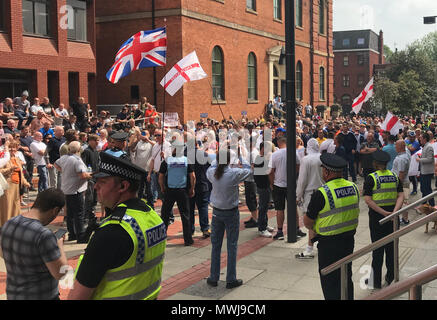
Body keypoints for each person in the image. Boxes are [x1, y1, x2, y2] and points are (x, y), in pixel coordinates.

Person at [68, 152, 166, 300]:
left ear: (123, 186)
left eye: (102, 182)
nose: (95, 187)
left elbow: (77, 297)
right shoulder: (153, 217)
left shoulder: (111, 232)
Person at [303, 153, 359, 300]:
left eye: (323, 170)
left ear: (327, 172)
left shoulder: (322, 193)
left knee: (329, 280)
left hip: (329, 245)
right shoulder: (353, 187)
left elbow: (308, 222)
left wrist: (316, 228)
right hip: (348, 241)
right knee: (346, 276)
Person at [0, 188, 67, 300]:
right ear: (55, 210)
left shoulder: (9, 224)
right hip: (42, 296)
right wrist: (59, 246)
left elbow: (4, 253)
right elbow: (60, 273)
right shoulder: (44, 235)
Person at [206, 148, 252, 289]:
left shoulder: (212, 173)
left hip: (216, 212)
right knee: (231, 245)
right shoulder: (234, 174)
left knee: (216, 246)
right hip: (231, 212)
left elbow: (212, 165)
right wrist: (240, 157)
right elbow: (249, 169)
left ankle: (214, 277)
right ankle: (230, 278)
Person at [364, 150, 404, 289]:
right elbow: (401, 196)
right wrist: (394, 212)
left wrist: (384, 213)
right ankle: (390, 278)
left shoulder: (371, 178)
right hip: (393, 218)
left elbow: (368, 200)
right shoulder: (394, 176)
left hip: (377, 219)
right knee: (392, 249)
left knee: (377, 250)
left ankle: (375, 282)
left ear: (375, 163)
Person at [158, 139, 195, 246]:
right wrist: (192, 188)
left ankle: (161, 238)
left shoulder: (167, 161)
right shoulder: (186, 160)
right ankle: (188, 240)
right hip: (182, 191)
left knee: (165, 215)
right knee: (185, 215)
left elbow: (160, 176)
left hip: (170, 190)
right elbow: (192, 176)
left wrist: (162, 187)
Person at [54, 141, 92, 243]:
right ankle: (80, 236)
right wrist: (91, 175)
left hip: (66, 189)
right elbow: (82, 175)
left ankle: (72, 234)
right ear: (79, 150)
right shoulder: (77, 160)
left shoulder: (64, 158)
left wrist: (64, 171)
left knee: (70, 214)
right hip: (76, 190)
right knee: (79, 214)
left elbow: (56, 164)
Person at [269, 137, 306, 240]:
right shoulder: (293, 152)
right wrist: (294, 175)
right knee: (293, 207)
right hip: (290, 184)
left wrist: (272, 184)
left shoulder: (274, 154)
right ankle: (297, 229)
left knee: (279, 209)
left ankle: (280, 231)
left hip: (278, 184)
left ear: (278, 143)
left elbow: (271, 171)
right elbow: (298, 165)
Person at [296, 138, 324, 259]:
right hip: (323, 191)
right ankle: (320, 244)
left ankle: (309, 248)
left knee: (310, 221)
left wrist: (298, 195)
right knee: (322, 218)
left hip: (310, 193)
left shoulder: (306, 159)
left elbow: (302, 180)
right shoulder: (322, 157)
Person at [0, 141, 30, 226]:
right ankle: (5, 225)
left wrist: (25, 182)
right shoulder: (4, 159)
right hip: (7, 186)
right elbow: (1, 171)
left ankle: (15, 225)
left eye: (14, 147)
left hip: (16, 186)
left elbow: (21, 173)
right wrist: (10, 169)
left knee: (15, 206)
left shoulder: (17, 159)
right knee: (7, 207)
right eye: (10, 148)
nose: (12, 149)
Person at [81, 134, 100, 232]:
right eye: (95, 140)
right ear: (90, 141)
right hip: (90, 179)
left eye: (98, 140)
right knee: (89, 198)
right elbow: (83, 165)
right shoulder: (86, 151)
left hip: (97, 178)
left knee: (94, 199)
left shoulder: (96, 152)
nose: (97, 142)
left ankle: (92, 218)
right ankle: (85, 218)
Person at [392, 140, 411, 225]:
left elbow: (401, 173)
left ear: (401, 147)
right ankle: (404, 218)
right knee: (403, 201)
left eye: (396, 146)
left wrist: (398, 186)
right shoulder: (403, 155)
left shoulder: (402, 158)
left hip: (402, 183)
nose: (395, 147)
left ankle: (405, 219)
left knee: (404, 202)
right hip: (403, 182)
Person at [417, 132, 435, 207]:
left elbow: (430, 159)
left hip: (427, 172)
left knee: (427, 189)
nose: (419, 139)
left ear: (424, 139)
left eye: (421, 137)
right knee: (424, 189)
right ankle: (424, 205)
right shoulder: (425, 146)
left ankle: (432, 205)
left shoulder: (429, 147)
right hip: (424, 171)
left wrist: (419, 160)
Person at [405, 131, 421, 195]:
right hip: (408, 159)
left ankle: (415, 189)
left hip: (414, 161)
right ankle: (407, 189)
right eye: (411, 137)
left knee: (413, 176)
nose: (412, 138)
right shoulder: (407, 141)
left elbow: (412, 149)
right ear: (409, 137)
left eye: (413, 137)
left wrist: (406, 146)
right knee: (409, 176)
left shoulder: (416, 143)